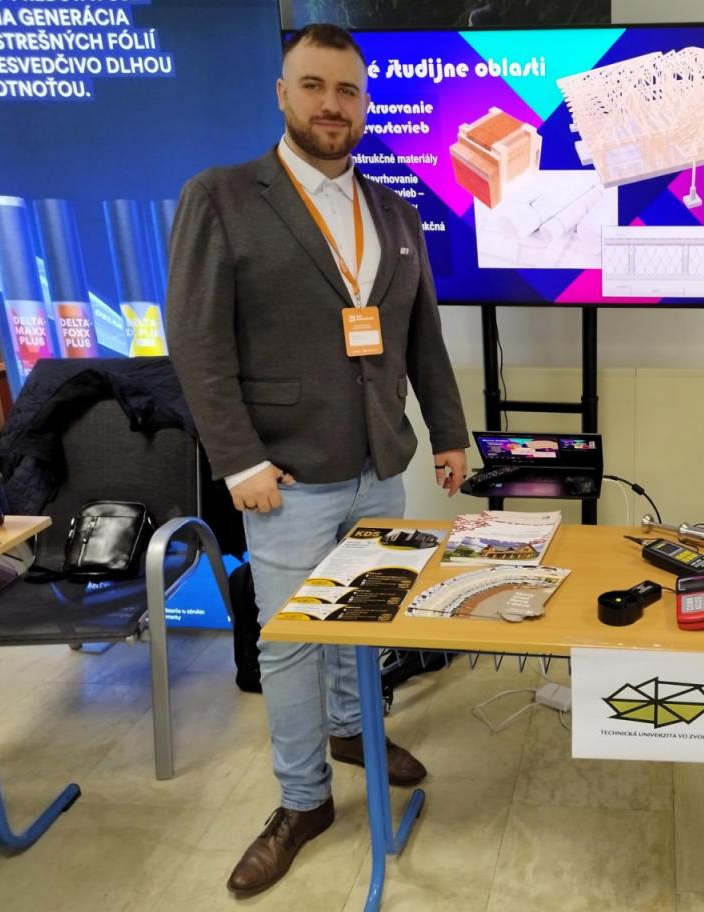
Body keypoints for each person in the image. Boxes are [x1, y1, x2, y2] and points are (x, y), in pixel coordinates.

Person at [165, 23, 469, 897]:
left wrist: (448, 433)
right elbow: (198, 345)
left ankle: (351, 730)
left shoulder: (395, 211)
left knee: (365, 621)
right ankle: (303, 802)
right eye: (313, 86)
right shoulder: (221, 196)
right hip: (284, 478)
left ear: (365, 104)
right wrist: (239, 463)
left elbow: (421, 337)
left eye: (347, 90)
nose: (331, 105)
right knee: (293, 645)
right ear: (282, 94)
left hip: (379, 466)